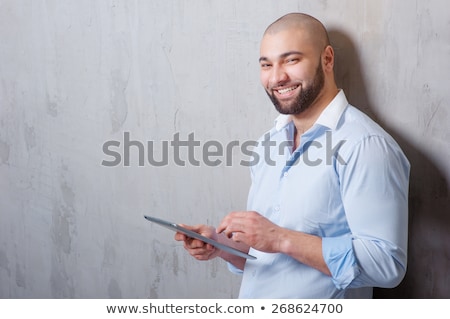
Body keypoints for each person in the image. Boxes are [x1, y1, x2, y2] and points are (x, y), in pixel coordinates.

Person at [175, 12, 410, 298]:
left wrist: (280, 238)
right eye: (266, 64)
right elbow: (266, 257)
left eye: (291, 60)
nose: (277, 77)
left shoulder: (365, 145)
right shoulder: (267, 145)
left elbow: (387, 264)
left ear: (327, 59)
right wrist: (222, 245)